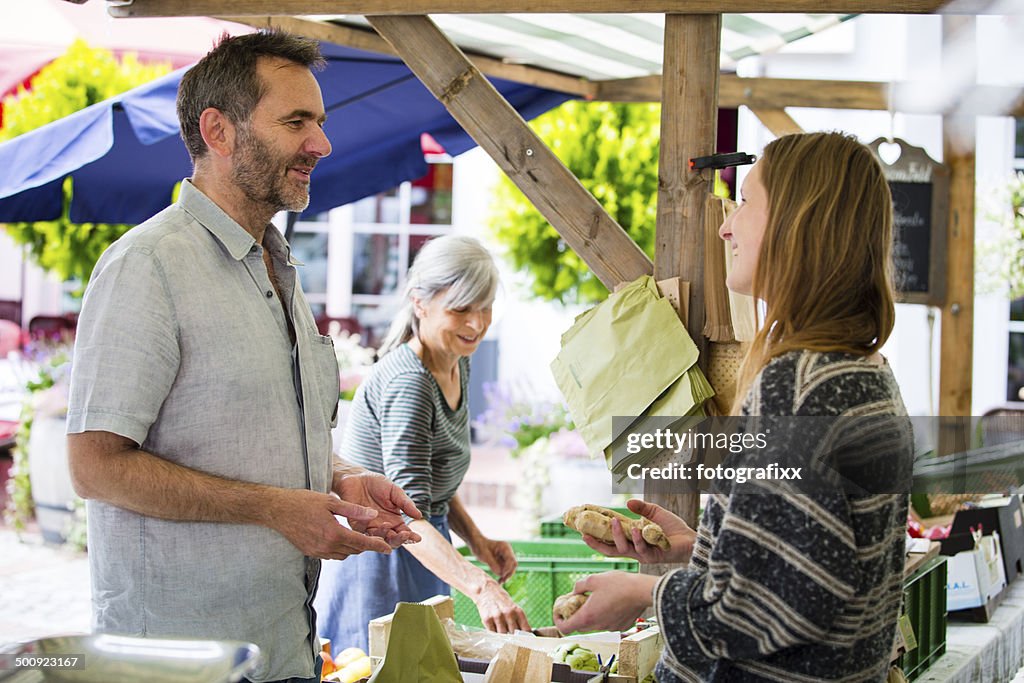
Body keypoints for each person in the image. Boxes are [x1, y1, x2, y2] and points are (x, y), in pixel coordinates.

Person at [65, 32, 422, 683]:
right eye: (296, 122)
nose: (322, 144)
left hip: (286, 647)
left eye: (319, 121)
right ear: (219, 131)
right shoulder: (147, 266)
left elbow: (252, 433)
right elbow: (94, 467)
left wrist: (338, 478)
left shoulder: (280, 268)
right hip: (179, 664)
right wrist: (278, 508)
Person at [554, 131, 913, 682]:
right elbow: (811, 563)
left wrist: (645, 594)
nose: (726, 226)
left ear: (800, 226)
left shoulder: (799, 385)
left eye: (746, 202)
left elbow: (776, 603)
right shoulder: (862, 372)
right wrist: (701, 547)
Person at [314, 234, 530, 653]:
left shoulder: (455, 362)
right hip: (383, 560)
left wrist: (479, 542)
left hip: (428, 551)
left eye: (484, 307)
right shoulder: (409, 383)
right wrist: (481, 587)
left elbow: (431, 490)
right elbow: (409, 515)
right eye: (460, 309)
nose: (476, 323)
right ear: (420, 303)